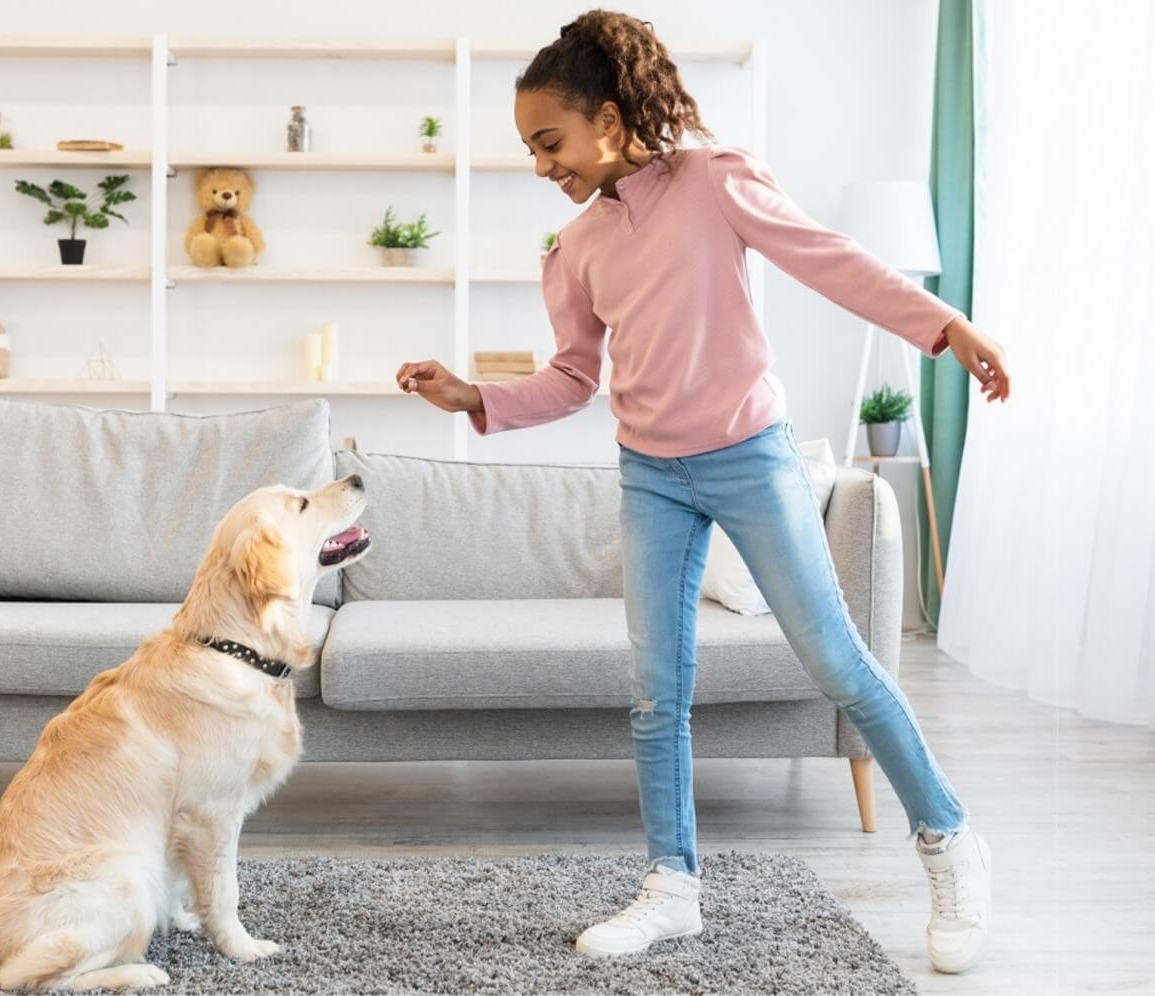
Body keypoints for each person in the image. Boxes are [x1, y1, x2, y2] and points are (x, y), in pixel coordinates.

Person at [394, 8, 1010, 975]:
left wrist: (945, 324)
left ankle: (949, 840)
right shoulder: (575, 250)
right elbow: (571, 379)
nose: (541, 164)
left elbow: (829, 260)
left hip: (749, 456)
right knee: (655, 691)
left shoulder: (715, 180)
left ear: (605, 115)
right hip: (651, 475)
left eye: (549, 141)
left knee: (839, 665)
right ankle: (672, 884)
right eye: (528, 148)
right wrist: (473, 395)